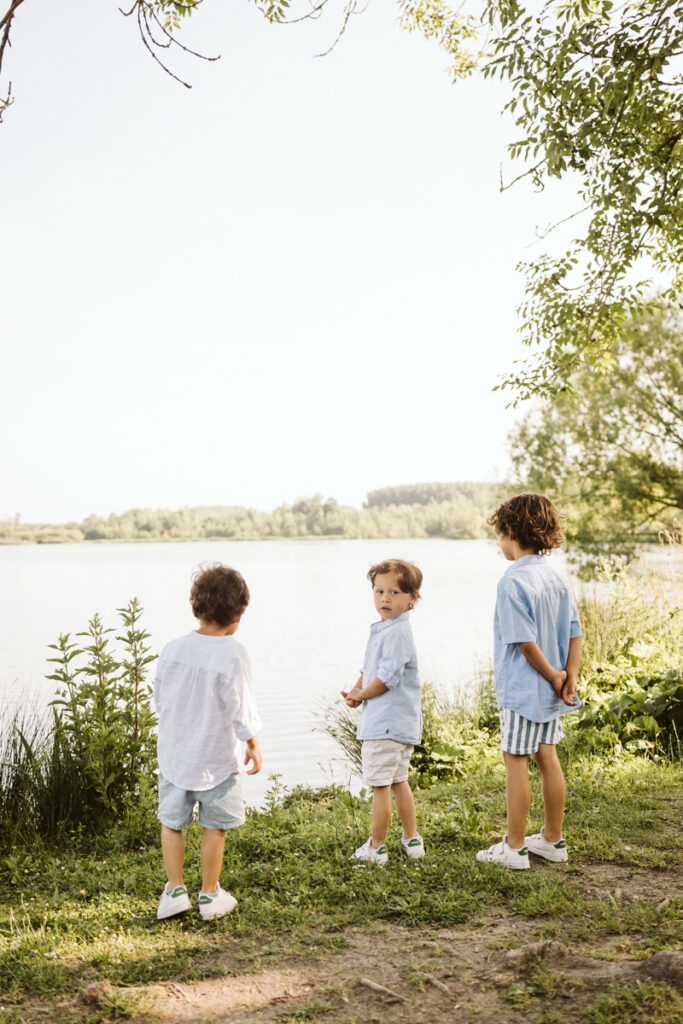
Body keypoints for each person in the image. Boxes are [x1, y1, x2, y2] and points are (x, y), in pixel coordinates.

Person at [477, 493, 583, 871]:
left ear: (510, 531)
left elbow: (524, 642)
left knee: (516, 760)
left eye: (499, 535)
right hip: (552, 690)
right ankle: (553, 839)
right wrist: (569, 676)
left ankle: (515, 847)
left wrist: (555, 675)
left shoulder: (512, 582)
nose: (499, 543)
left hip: (524, 690)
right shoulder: (556, 579)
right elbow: (575, 633)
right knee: (548, 757)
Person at [154, 564, 262, 920]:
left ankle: (174, 891)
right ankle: (209, 894)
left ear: (195, 607)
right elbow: (241, 709)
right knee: (213, 826)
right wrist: (252, 744)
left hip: (176, 756)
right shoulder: (233, 653)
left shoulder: (172, 649)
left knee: (172, 823)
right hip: (216, 760)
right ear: (239, 613)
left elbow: (160, 700)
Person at [341, 558, 425, 865]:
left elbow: (387, 679)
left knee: (380, 787)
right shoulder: (384, 629)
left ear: (413, 598)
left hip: (386, 725)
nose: (385, 598)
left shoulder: (397, 633)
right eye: (379, 591)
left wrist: (363, 695)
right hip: (398, 724)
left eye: (395, 592)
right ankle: (411, 840)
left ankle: (376, 848)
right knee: (399, 780)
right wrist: (356, 691)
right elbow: (369, 669)